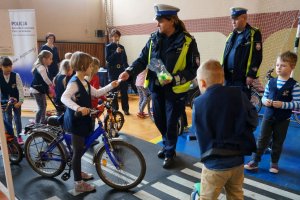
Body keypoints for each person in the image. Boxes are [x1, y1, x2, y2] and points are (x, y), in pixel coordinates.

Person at [119, 4, 200, 168]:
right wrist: (129, 71)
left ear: (172, 21)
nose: (157, 24)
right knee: (159, 119)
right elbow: (142, 59)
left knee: (171, 123)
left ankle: (170, 151)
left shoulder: (187, 41)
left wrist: (175, 78)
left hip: (175, 90)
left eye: (160, 21)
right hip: (156, 87)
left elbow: (193, 69)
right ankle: (167, 144)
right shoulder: (154, 38)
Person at [193, 59, 258, 200]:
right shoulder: (239, 94)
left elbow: (199, 132)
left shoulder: (198, 104)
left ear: (202, 83)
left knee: (207, 197)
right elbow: (253, 120)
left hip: (214, 164)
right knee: (236, 194)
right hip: (238, 161)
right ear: (222, 79)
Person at [61, 51, 119, 193]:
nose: (92, 68)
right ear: (83, 66)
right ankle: (78, 184)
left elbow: (97, 93)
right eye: (90, 66)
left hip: (83, 120)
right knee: (77, 152)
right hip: (76, 121)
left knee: (80, 149)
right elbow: (64, 98)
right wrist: (78, 107)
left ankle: (78, 172)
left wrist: (111, 85)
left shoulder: (84, 81)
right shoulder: (74, 83)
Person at [244, 51, 300, 174]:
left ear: (292, 67)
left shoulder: (294, 85)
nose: (279, 68)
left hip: (283, 120)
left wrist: (283, 105)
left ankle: (274, 163)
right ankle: (254, 161)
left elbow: (298, 103)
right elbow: (264, 97)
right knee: (261, 139)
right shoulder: (271, 82)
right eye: (278, 65)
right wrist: (265, 101)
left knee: (278, 141)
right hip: (268, 117)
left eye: (283, 65)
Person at [222, 7, 262, 99]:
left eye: (235, 19)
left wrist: (251, 74)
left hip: (242, 77)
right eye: (232, 19)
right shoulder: (231, 35)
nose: (233, 21)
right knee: (227, 103)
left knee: (241, 104)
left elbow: (257, 56)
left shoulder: (253, 33)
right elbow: (225, 56)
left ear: (244, 18)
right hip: (228, 77)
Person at [0, 57, 25, 144]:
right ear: (1, 66)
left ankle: (19, 136)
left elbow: (21, 89)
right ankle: (10, 137)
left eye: (10, 66)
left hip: (16, 101)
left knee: (18, 119)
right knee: (8, 119)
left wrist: (20, 101)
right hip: (4, 101)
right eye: (6, 67)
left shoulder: (16, 75)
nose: (9, 68)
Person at [105, 29, 130, 115]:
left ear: (119, 37)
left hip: (121, 71)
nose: (116, 38)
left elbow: (125, 60)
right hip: (112, 71)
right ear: (111, 37)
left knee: (124, 91)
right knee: (114, 91)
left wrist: (127, 70)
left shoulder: (122, 47)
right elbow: (108, 59)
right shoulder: (108, 47)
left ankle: (126, 109)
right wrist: (115, 53)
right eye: (114, 36)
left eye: (117, 36)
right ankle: (115, 108)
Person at [30, 50, 53, 124]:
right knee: (41, 107)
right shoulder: (41, 67)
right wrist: (51, 84)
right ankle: (38, 122)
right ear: (44, 59)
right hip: (36, 90)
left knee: (44, 106)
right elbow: (45, 78)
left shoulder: (44, 66)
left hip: (40, 89)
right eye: (50, 59)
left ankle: (42, 121)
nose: (51, 61)